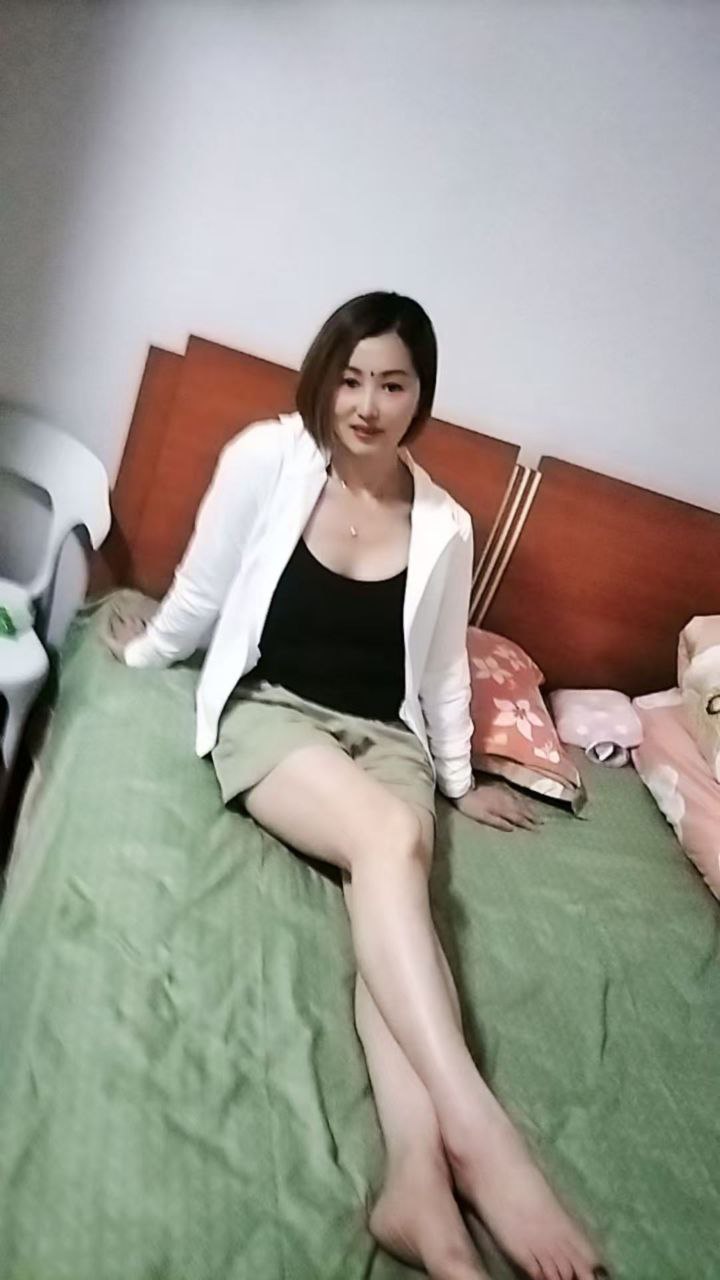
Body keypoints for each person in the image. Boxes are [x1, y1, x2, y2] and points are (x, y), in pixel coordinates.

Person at [108, 293, 606, 1280]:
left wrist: (457, 779)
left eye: (392, 384)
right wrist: (146, 648)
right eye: (350, 379)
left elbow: (445, 671)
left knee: (399, 870)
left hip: (388, 739)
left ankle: (417, 1186)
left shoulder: (447, 524)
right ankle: (478, 1130)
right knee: (388, 840)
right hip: (272, 712)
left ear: (421, 394)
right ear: (323, 376)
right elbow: (203, 585)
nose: (367, 405)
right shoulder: (267, 457)